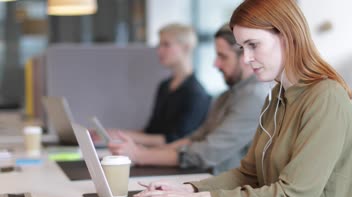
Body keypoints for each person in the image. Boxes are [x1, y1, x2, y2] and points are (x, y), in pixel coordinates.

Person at [130, 0, 352, 197]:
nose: (246, 58)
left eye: (253, 45)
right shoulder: (276, 97)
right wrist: (189, 189)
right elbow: (249, 174)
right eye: (242, 48)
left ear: (287, 37)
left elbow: (292, 196)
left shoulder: (326, 97)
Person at [108, 24, 268, 174]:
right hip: (208, 179)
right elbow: (195, 138)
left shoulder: (253, 97)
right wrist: (142, 153)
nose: (216, 64)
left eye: (223, 57)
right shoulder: (227, 96)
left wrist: (140, 155)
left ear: (247, 57)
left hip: (227, 189)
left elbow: (207, 152)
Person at [104, 23, 211, 146]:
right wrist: (116, 135)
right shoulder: (164, 86)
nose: (159, 50)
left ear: (186, 48)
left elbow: (175, 140)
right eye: (159, 45)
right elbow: (151, 131)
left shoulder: (196, 94)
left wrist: (121, 135)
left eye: (166, 45)